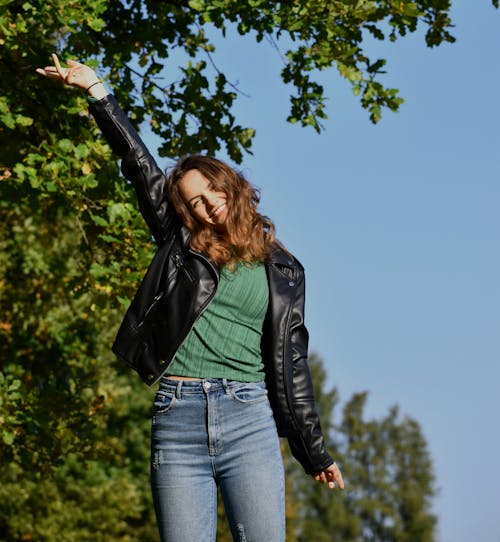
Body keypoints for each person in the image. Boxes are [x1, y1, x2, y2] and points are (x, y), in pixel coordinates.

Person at [37, 54, 344, 542]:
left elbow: (292, 365)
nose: (208, 204)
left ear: (231, 185)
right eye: (195, 201)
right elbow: (139, 165)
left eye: (212, 192)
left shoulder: (284, 270)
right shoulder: (181, 244)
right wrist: (97, 91)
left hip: (250, 417)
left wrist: (314, 450)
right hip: (177, 415)